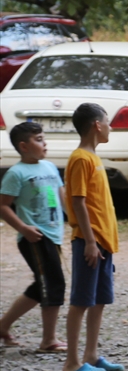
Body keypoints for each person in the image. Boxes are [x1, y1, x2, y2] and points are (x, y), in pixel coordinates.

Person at [61, 103, 123, 371]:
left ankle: (91, 355)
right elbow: (78, 201)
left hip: (103, 243)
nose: (110, 127)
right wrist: (88, 241)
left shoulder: (94, 157)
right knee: (81, 301)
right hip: (89, 241)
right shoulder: (81, 158)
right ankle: (71, 363)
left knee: (98, 300)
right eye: (108, 122)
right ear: (97, 125)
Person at [0, 122, 68, 353]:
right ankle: (49, 340)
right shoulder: (16, 173)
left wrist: (78, 222)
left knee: (43, 286)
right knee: (54, 284)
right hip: (35, 237)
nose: (44, 143)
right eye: (38, 139)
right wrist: (23, 228)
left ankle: (2, 327)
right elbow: (4, 206)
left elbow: (63, 198)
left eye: (43, 138)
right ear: (23, 146)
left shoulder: (49, 167)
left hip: (53, 234)